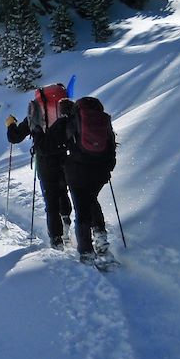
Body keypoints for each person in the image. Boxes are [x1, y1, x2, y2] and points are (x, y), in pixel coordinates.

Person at [6, 84, 74, 249]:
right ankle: (66, 225)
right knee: (63, 191)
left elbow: (14, 138)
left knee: (51, 201)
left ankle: (56, 240)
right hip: (65, 157)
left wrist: (10, 124)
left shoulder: (34, 113)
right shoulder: (64, 111)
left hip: (44, 161)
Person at [55, 97, 117, 264]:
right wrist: (108, 168)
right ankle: (101, 239)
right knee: (92, 201)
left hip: (77, 171)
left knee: (82, 209)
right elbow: (112, 145)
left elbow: (53, 144)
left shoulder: (68, 122)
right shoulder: (102, 119)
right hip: (100, 171)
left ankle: (86, 252)